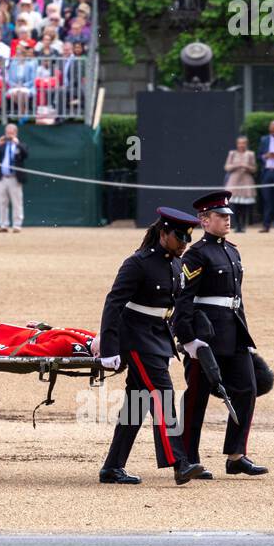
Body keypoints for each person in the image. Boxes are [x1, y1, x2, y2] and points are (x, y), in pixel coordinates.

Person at [97, 207, 206, 485]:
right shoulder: (138, 263)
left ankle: (112, 467)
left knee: (137, 401)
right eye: (179, 237)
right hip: (134, 338)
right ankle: (180, 463)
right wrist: (110, 348)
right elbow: (113, 303)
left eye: (187, 239)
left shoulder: (174, 263)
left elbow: (173, 309)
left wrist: (184, 342)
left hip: (157, 338)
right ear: (163, 233)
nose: (184, 244)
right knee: (163, 395)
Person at [173, 191, 268, 478]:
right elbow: (183, 298)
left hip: (234, 332)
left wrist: (246, 336)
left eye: (228, 216)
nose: (227, 220)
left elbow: (236, 298)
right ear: (204, 220)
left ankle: (236, 455)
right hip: (206, 335)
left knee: (247, 389)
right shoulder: (196, 254)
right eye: (221, 216)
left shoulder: (232, 250)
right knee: (197, 397)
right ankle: (189, 458)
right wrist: (187, 338)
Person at [0, 123, 27, 233]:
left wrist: (17, 144)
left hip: (15, 178)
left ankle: (17, 225)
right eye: (7, 133)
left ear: (15, 133)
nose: (9, 135)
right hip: (2, 178)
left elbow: (26, 154)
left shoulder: (21, 145)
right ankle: (3, 224)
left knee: (16, 202)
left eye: (11, 133)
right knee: (2, 202)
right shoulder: (2, 145)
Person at [223, 135, 258, 233]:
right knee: (235, 205)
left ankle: (243, 225)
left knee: (244, 206)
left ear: (246, 144)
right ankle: (237, 225)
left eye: (243, 143)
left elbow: (254, 169)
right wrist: (237, 165)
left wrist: (246, 166)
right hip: (234, 181)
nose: (241, 145)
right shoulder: (232, 153)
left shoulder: (250, 154)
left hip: (246, 181)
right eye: (239, 143)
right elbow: (227, 167)